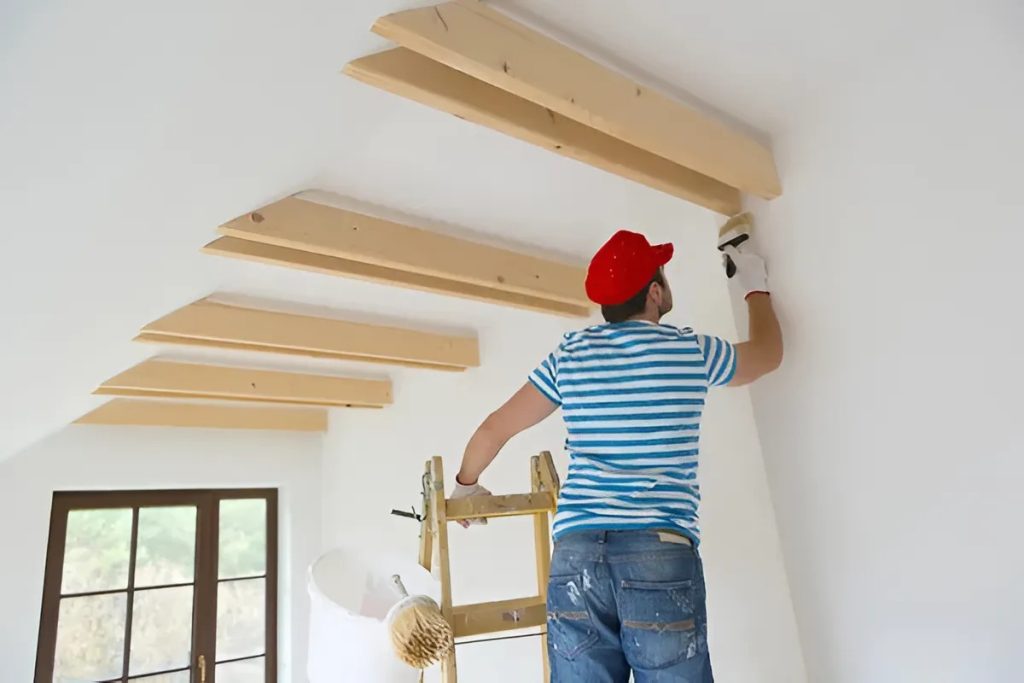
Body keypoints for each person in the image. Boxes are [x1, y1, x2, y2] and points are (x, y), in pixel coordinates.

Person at [450, 224, 783, 682]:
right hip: (657, 553)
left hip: (576, 558)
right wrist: (753, 285)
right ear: (655, 293)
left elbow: (495, 428)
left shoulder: (571, 354)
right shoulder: (688, 351)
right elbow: (767, 355)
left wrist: (465, 486)